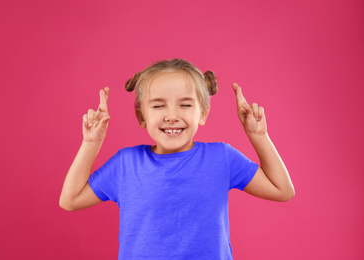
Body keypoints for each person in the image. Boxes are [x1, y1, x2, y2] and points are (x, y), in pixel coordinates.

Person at [59, 58, 295, 259]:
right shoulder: (126, 164)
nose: (172, 116)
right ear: (141, 115)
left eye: (184, 104)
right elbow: (70, 200)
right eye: (158, 105)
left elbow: (281, 190)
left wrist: (258, 135)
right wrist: (91, 144)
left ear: (202, 112)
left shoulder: (221, 157)